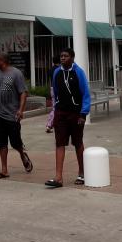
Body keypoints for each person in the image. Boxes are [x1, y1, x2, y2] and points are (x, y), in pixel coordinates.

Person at [45, 47, 90, 189]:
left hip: (76, 114)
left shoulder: (78, 72)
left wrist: (83, 113)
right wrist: (55, 112)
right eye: (61, 56)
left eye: (65, 56)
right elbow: (55, 94)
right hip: (61, 113)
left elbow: (85, 94)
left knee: (77, 143)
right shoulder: (57, 73)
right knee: (59, 143)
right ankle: (58, 177)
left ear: (72, 57)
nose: (62, 58)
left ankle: (82, 173)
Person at [0, 52, 33, 178]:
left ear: (2, 60)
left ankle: (22, 154)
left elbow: (23, 93)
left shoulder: (16, 73)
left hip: (12, 114)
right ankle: (4, 170)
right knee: (1, 142)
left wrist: (21, 110)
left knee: (15, 142)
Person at [45, 55, 61, 133]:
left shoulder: (51, 69)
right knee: (55, 108)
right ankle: (49, 125)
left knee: (56, 107)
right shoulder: (59, 69)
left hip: (52, 89)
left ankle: (55, 124)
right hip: (58, 89)